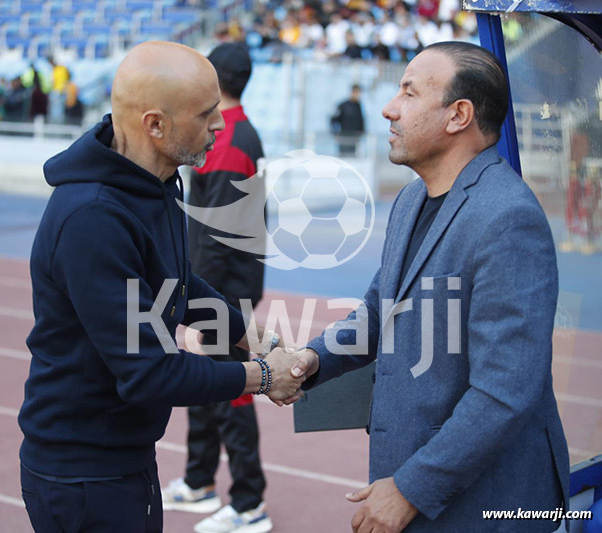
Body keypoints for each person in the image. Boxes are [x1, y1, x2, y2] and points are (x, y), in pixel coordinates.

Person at [18, 41, 303, 533]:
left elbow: (182, 286)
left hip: (125, 455)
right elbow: (148, 374)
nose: (219, 124)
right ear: (155, 124)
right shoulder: (93, 219)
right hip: (83, 473)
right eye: (206, 113)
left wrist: (262, 341)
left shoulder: (158, 178)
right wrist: (261, 375)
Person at [284, 42, 570, 532]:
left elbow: (505, 390)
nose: (389, 107)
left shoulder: (508, 219)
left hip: (488, 503)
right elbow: (380, 311)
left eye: (409, 93)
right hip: (430, 483)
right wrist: (312, 360)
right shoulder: (413, 197)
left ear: (458, 115)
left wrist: (411, 487)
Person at [161, 43, 272, 533]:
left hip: (224, 289)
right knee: (207, 389)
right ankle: (199, 479)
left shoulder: (228, 141)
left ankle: (249, 504)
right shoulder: (237, 132)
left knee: (234, 395)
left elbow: (218, 234)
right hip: (223, 285)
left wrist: (199, 306)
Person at [331, 84, 365, 156]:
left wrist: (362, 132)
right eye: (356, 92)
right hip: (344, 137)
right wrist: (335, 133)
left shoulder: (358, 106)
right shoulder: (343, 105)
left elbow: (360, 121)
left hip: (355, 138)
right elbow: (333, 119)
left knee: (352, 157)